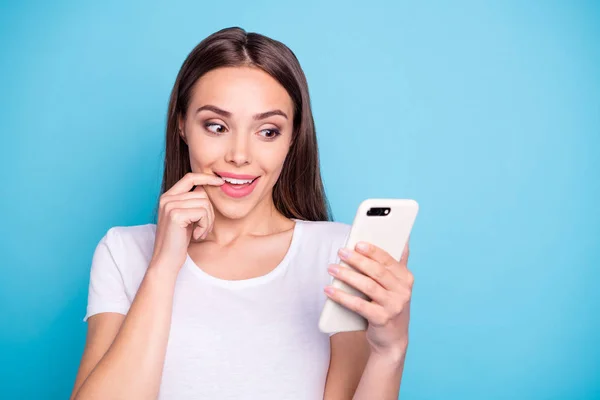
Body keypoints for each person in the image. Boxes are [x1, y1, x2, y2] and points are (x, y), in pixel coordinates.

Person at [70, 26, 414, 400]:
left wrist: (389, 351)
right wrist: (162, 269)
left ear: (293, 137)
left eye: (267, 131)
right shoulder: (123, 252)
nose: (239, 154)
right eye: (216, 126)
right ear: (182, 125)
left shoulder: (338, 255)